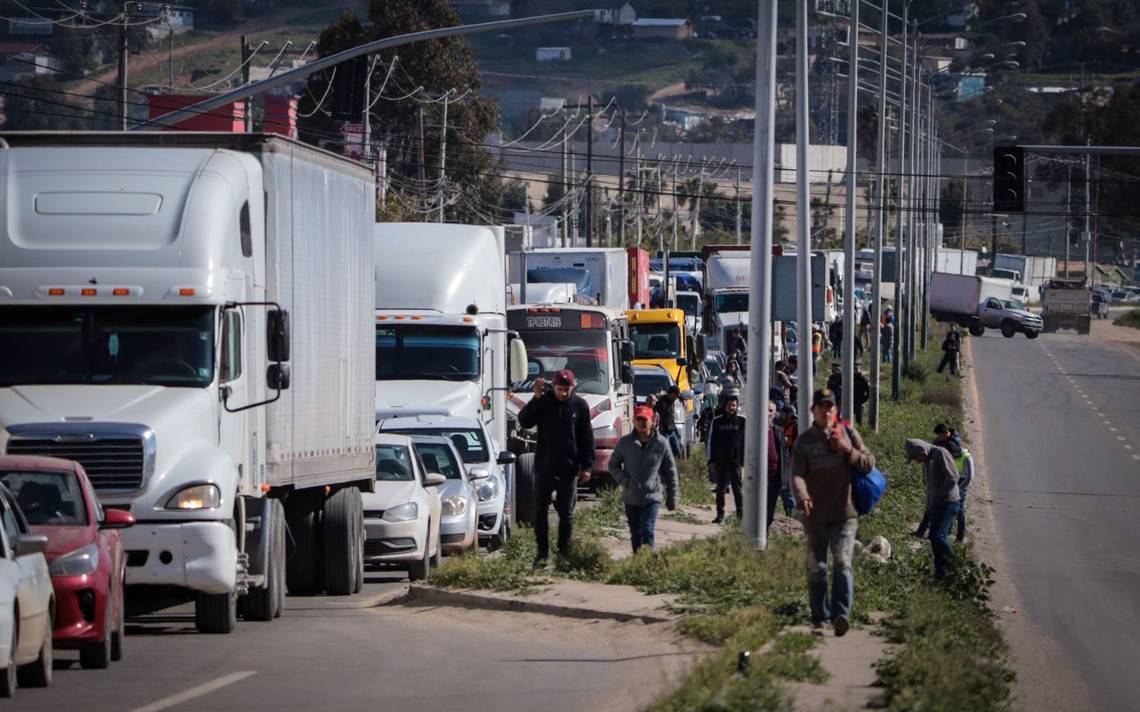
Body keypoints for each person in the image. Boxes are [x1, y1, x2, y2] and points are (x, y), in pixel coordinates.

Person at [792, 387, 876, 637]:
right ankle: (820, 619)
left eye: (831, 407)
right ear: (813, 410)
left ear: (836, 410)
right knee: (817, 567)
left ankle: (841, 615)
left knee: (842, 562)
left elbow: (869, 463)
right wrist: (803, 495)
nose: (826, 411)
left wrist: (846, 449)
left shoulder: (848, 432)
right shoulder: (804, 441)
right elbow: (796, 474)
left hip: (844, 513)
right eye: (822, 407)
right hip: (815, 516)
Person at [517, 369, 595, 568]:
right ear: (554, 386)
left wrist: (586, 466)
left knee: (566, 513)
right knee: (540, 510)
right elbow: (524, 421)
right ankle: (542, 553)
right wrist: (535, 398)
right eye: (560, 389)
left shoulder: (580, 406)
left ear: (573, 387)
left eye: (567, 390)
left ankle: (564, 553)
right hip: (544, 466)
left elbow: (586, 439)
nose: (563, 393)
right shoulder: (544, 402)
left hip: (568, 468)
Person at [609, 405, 679, 553]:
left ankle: (648, 564)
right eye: (638, 419)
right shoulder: (625, 443)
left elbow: (671, 472)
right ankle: (638, 564)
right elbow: (613, 465)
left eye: (644, 419)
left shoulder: (661, 443)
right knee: (635, 535)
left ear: (652, 421)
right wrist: (624, 480)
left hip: (651, 497)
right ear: (634, 420)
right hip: (631, 498)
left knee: (647, 530)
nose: (641, 423)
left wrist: (672, 497)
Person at [905, 439, 961, 579]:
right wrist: (930, 505)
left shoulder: (941, 453)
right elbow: (930, 486)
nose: (917, 461)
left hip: (948, 502)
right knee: (933, 537)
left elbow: (953, 477)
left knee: (938, 536)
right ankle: (941, 573)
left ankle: (956, 564)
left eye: (916, 457)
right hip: (937, 504)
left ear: (922, 451)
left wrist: (938, 496)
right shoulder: (927, 461)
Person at [915, 424, 974, 542]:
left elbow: (969, 478)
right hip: (947, 484)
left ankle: (959, 537)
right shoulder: (945, 450)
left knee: (959, 512)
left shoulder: (965, 457)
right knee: (939, 509)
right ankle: (941, 533)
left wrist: (957, 489)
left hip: (960, 486)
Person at [706, 393, 745, 524]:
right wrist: (711, 460)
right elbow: (711, 441)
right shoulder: (717, 421)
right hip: (720, 461)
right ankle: (720, 515)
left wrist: (743, 459)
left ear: (737, 406)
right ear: (725, 406)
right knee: (720, 489)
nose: (731, 408)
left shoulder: (742, 421)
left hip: (736, 461)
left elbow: (747, 441)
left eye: (733, 405)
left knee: (737, 490)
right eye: (729, 405)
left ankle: (741, 515)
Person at [766, 399, 790, 533]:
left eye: (770, 410)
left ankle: (765, 539)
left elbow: (784, 453)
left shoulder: (779, 430)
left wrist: (784, 476)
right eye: (766, 409)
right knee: (758, 511)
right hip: (759, 478)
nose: (767, 413)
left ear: (774, 413)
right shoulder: (754, 430)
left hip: (774, 476)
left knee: (769, 512)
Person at [654, 385, 683, 457]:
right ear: (672, 394)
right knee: (664, 451)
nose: (676, 398)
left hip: (672, 430)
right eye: (675, 396)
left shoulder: (671, 402)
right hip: (664, 431)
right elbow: (659, 418)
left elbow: (671, 417)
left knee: (678, 451)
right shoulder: (662, 403)